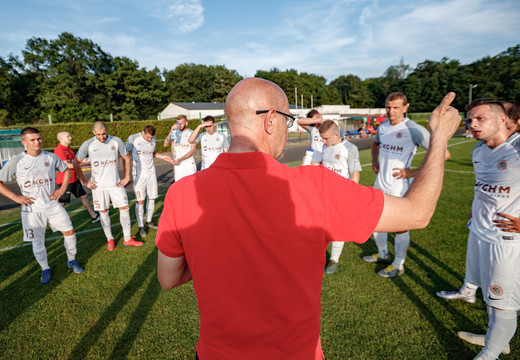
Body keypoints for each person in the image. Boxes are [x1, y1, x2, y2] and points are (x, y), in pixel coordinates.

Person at [155, 77, 461, 359]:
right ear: (271, 120)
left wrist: (218, 259)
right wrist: (440, 140)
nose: (288, 133)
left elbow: (168, 279)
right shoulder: (316, 186)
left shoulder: (182, 193)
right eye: (289, 122)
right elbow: (417, 213)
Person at [436, 99, 520, 359]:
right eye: (470, 120)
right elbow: (482, 186)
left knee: (503, 303)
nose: (472, 124)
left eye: (480, 119)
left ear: (502, 120)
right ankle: (497, 341)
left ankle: (489, 354)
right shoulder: (479, 150)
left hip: (506, 242)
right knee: (489, 297)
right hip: (479, 232)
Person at [363, 92, 451, 278]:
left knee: (400, 226)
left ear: (405, 108)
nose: (391, 111)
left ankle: (398, 264)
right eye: (388, 107)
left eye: (396, 107)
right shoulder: (383, 127)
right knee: (374, 220)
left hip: (399, 186)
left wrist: (412, 172)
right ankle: (383, 253)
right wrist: (374, 161)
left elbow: (443, 154)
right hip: (380, 183)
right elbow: (376, 144)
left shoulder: (413, 129)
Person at [0, 127, 83, 284]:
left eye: (38, 139)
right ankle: (45, 268)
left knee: (70, 231)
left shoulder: (50, 157)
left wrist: (62, 189)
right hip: (31, 209)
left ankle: (71, 260)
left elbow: (66, 171)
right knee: (38, 241)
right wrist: (16, 197)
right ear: (24, 142)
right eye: (32, 140)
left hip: (52, 204)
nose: (37, 142)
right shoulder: (16, 161)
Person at [74, 121, 143, 250]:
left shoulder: (116, 141)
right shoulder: (88, 144)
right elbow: (76, 163)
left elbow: (126, 158)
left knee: (125, 208)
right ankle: (110, 239)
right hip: (98, 187)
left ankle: (127, 239)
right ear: (93, 132)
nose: (102, 137)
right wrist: (84, 181)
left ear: (107, 131)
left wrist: (127, 177)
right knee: (104, 212)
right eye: (99, 134)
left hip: (115, 184)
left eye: (104, 134)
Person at [311, 120, 362, 274]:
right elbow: (315, 165)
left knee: (337, 228)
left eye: (326, 138)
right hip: (323, 193)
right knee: (319, 227)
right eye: (322, 138)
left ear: (335, 135)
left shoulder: (350, 148)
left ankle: (334, 259)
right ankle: (318, 255)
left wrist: (350, 195)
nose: (323, 141)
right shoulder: (323, 146)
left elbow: (355, 174)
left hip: (341, 196)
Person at [126, 125, 174, 237]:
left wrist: (163, 157)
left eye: (151, 137)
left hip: (151, 173)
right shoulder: (133, 139)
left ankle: (148, 221)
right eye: (147, 137)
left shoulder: (153, 139)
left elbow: (153, 153)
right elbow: (126, 156)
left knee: (152, 198)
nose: (149, 139)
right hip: (138, 175)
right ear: (143, 132)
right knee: (140, 201)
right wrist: (127, 174)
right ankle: (140, 226)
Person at [54, 131, 100, 223]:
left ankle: (94, 216)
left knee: (84, 196)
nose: (70, 138)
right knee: (62, 203)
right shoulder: (59, 150)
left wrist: (92, 157)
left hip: (74, 179)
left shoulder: (69, 149)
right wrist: (83, 164)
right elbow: (67, 165)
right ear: (61, 138)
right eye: (68, 136)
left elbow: (77, 161)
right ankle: (54, 218)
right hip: (66, 181)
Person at [169, 115, 197, 181]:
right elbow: (172, 148)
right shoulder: (174, 133)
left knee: (190, 186)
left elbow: (192, 151)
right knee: (178, 187)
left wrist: (180, 159)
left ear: (186, 123)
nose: (179, 125)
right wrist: (174, 160)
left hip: (189, 165)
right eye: (178, 123)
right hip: (178, 166)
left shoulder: (191, 133)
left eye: (181, 123)